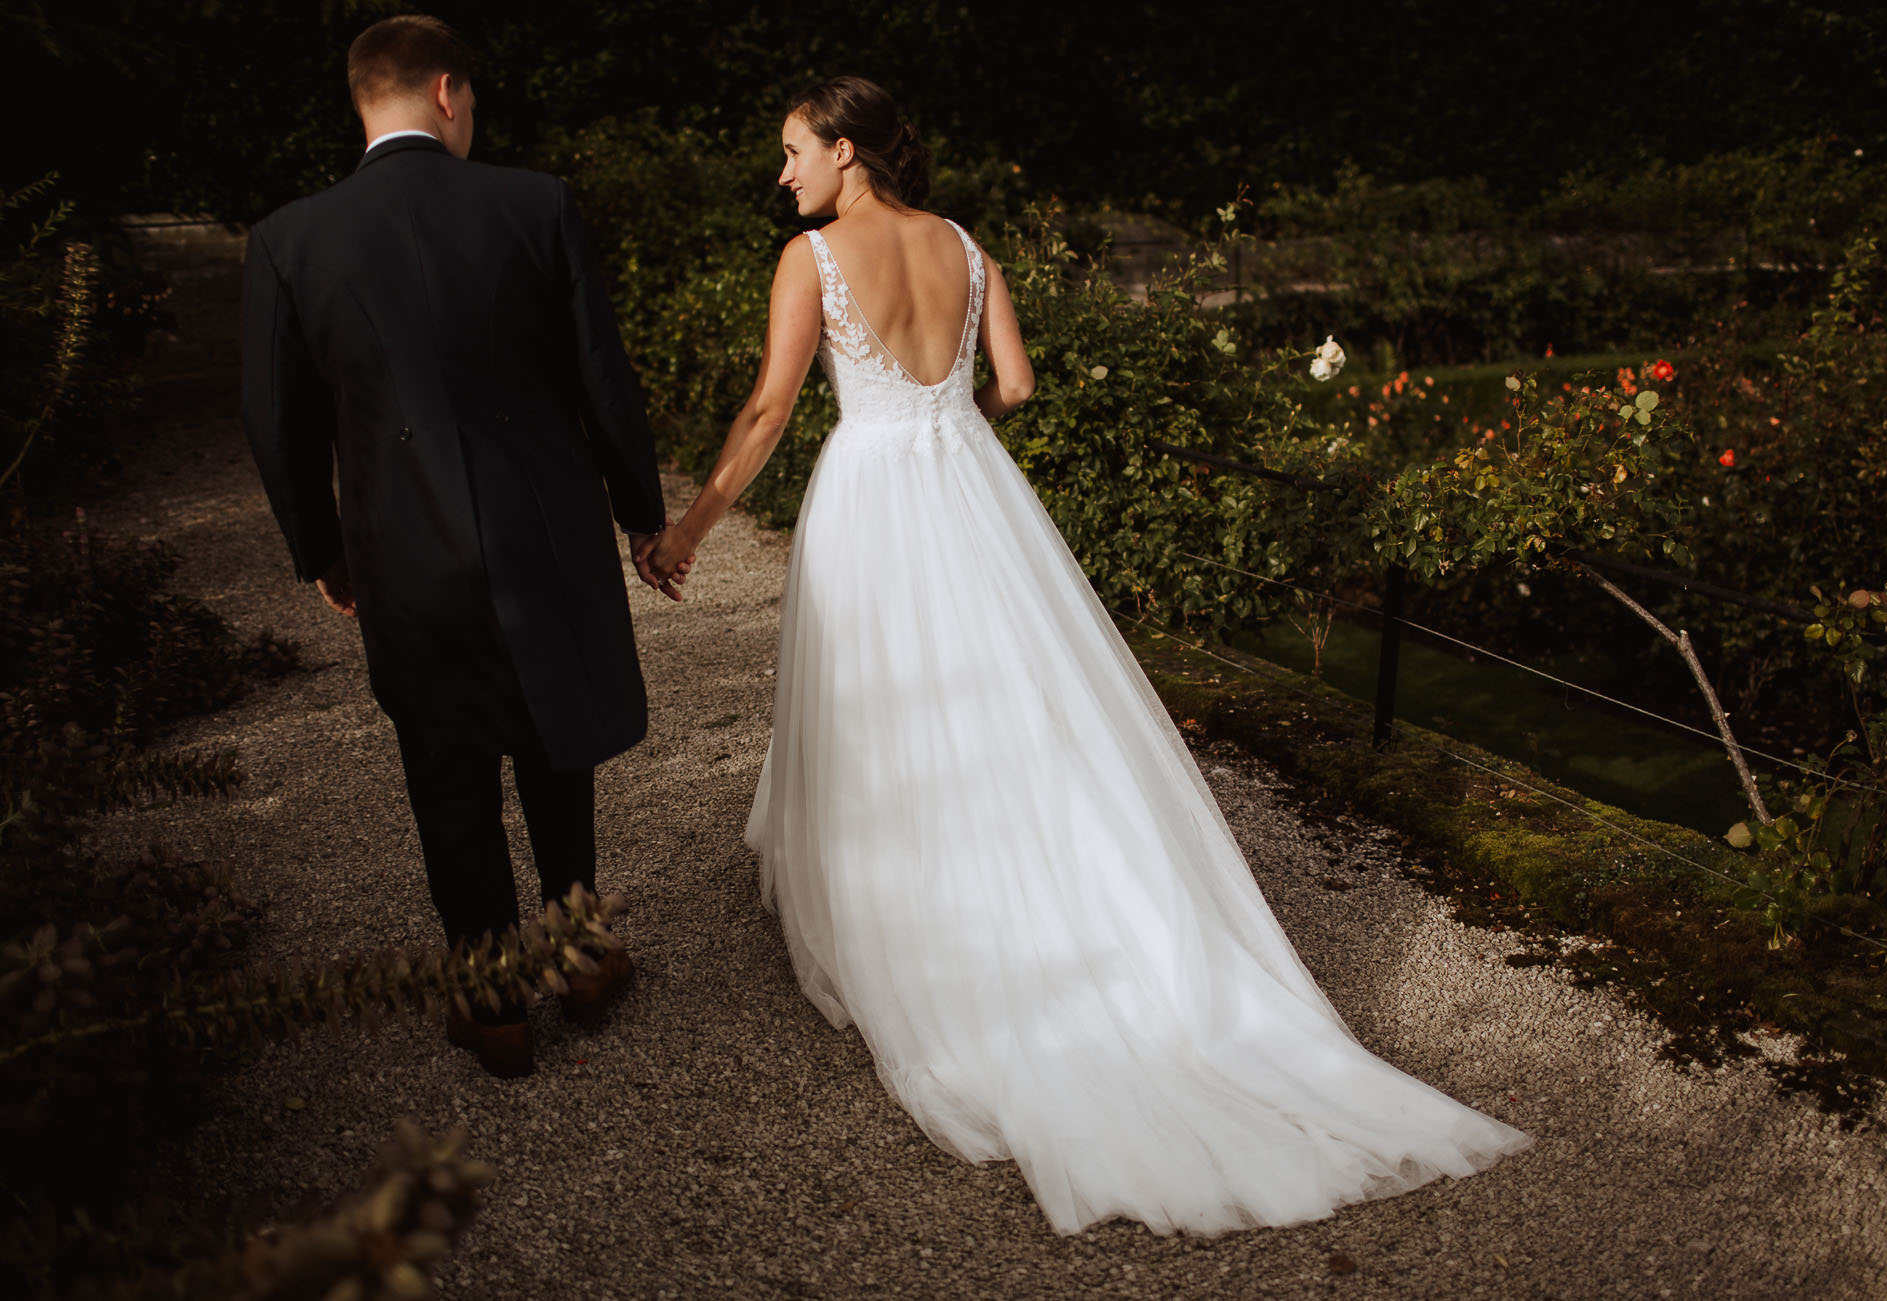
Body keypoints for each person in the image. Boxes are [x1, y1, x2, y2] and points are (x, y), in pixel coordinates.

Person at [648, 76, 1530, 1235]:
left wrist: (691, 528)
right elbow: (1012, 385)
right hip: (970, 486)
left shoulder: (810, 259)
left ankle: (922, 919)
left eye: (792, 152)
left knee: (890, 713)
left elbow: (768, 411)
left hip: (870, 496)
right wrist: (945, 431)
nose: (783, 174)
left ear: (846, 154)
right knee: (1026, 713)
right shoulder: (966, 247)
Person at [241, 16, 684, 1078]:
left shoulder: (290, 239)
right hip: (542, 531)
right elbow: (599, 376)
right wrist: (639, 509)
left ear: (365, 101)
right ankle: (576, 955)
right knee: (553, 736)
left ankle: (491, 1006)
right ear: (448, 91)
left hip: (403, 545)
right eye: (471, 103)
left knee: (444, 765)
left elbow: (275, 419)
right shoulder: (535, 203)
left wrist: (321, 549)